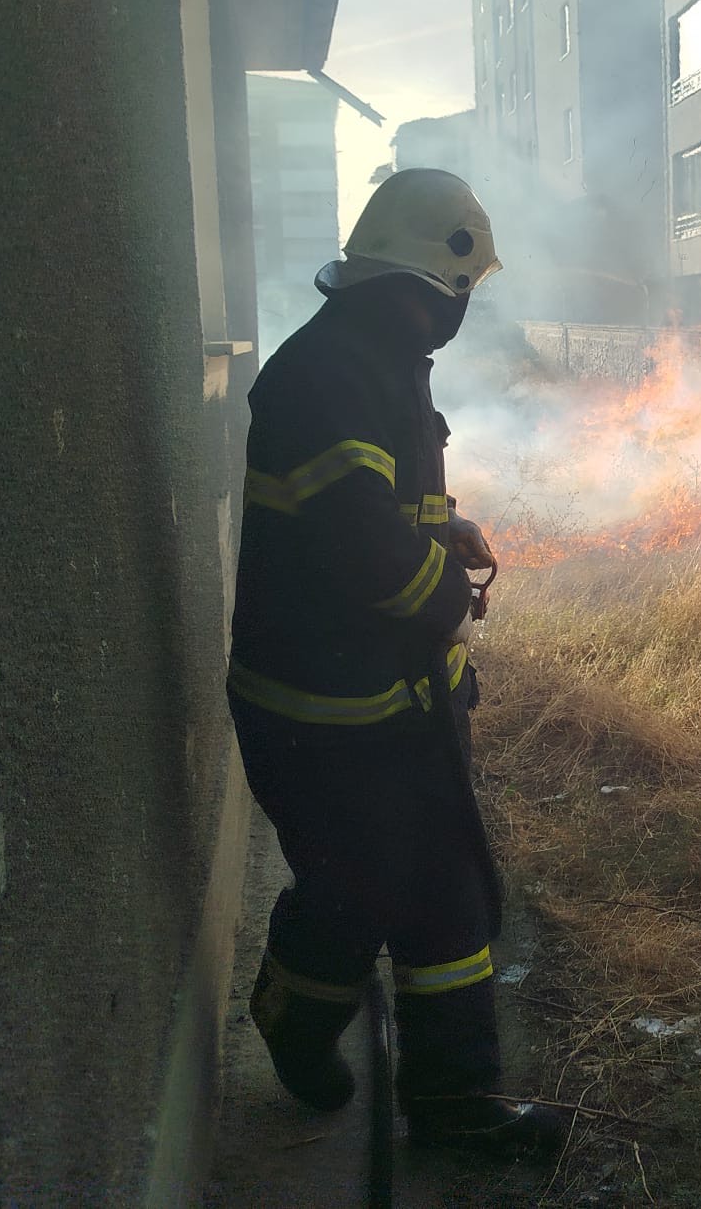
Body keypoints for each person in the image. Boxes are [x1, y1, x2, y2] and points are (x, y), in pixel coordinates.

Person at [226, 169, 568, 1159]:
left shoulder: (373, 357)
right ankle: (292, 1015)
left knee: (444, 891)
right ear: (427, 283)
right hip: (325, 712)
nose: (462, 313)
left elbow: (378, 504)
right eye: (460, 292)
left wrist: (442, 527)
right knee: (357, 890)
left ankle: (456, 1106)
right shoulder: (329, 374)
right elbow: (359, 545)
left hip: (387, 699)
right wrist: (449, 602)